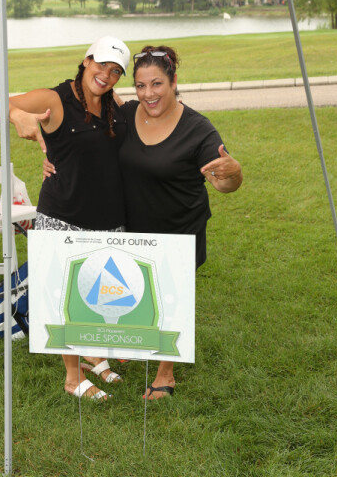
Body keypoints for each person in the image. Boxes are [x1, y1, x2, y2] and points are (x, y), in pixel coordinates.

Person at [43, 45, 243, 400]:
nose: (149, 94)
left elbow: (226, 180)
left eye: (157, 84)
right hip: (132, 226)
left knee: (172, 295)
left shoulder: (198, 129)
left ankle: (165, 373)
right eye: (140, 85)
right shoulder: (126, 114)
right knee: (130, 292)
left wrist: (232, 174)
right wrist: (51, 158)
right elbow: (84, 131)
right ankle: (103, 351)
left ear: (174, 82)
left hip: (178, 226)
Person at [0, 36, 131, 401]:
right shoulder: (56, 99)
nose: (107, 74)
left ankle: (93, 353)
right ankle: (72, 377)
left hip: (109, 217)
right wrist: (18, 115)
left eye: (116, 71)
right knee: (63, 295)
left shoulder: (112, 103)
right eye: (102, 65)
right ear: (86, 61)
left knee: (100, 293)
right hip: (64, 215)